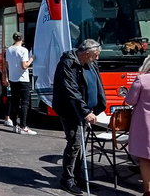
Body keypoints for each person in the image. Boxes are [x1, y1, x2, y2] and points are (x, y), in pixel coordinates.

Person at [53, 39, 106, 195]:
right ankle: (67, 179)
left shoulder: (90, 63)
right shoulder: (67, 64)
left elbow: (98, 83)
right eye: (95, 55)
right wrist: (85, 112)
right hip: (70, 110)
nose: (97, 59)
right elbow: (71, 91)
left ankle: (79, 177)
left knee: (81, 145)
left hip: (86, 110)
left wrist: (98, 106)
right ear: (86, 53)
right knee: (75, 143)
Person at [126, 55, 150, 196]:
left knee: (146, 159)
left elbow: (130, 100)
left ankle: (148, 191)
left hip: (145, 125)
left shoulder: (142, 79)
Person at [5, 32, 37, 135]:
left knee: (15, 102)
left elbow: (7, 65)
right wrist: (31, 58)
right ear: (22, 39)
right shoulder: (24, 50)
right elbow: (24, 66)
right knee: (24, 103)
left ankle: (15, 125)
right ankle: (23, 126)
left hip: (13, 78)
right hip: (23, 79)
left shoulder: (9, 50)